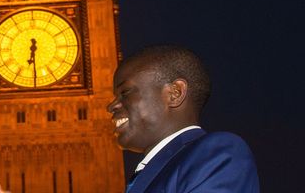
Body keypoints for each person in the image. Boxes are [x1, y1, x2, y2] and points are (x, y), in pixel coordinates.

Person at [106, 44, 259, 193]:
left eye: (125, 93)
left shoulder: (216, 155)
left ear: (175, 93)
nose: (111, 106)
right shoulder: (153, 172)